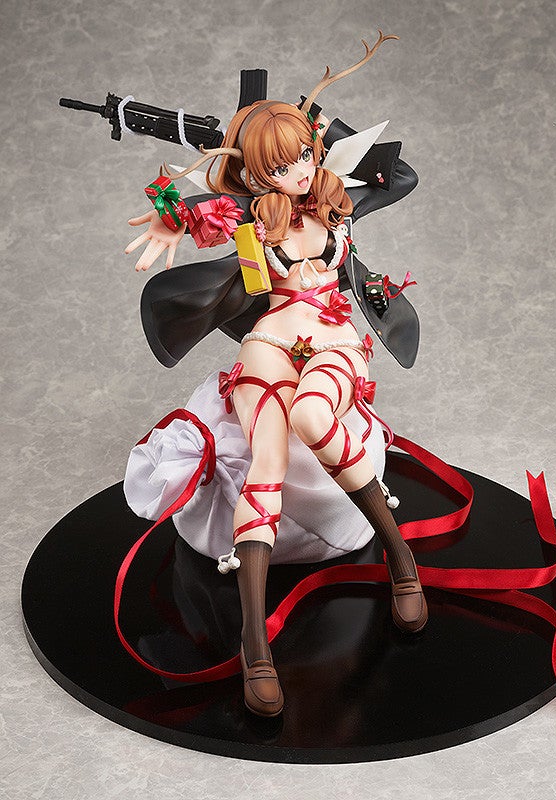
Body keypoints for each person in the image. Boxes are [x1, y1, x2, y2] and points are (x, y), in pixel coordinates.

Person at [123, 33, 426, 718]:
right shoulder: (251, 225)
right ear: (257, 176)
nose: (298, 172)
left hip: (333, 338)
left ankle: (400, 557)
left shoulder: (341, 202)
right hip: (272, 341)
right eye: (279, 166)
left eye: (303, 156)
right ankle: (255, 643)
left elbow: (401, 175)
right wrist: (173, 220)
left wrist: (312, 121)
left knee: (313, 418)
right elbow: (193, 210)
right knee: (266, 461)